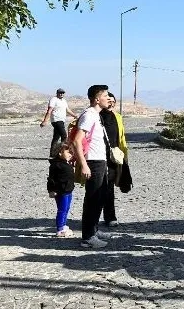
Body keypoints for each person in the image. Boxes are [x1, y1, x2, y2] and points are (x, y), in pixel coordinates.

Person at [73, 85, 111, 248]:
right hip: (92, 162)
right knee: (93, 199)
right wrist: (83, 165)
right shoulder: (89, 115)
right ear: (97, 99)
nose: (109, 98)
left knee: (100, 197)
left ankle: (93, 230)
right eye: (106, 96)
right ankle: (87, 237)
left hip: (100, 161)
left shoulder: (96, 115)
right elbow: (76, 140)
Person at [99, 92, 128, 228]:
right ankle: (99, 217)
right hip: (99, 156)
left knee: (110, 186)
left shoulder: (117, 117)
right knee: (101, 187)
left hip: (114, 157)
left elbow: (120, 138)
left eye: (112, 100)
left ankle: (109, 216)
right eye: (108, 99)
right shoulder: (98, 116)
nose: (110, 102)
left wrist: (124, 155)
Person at [47, 143, 75, 237]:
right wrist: (51, 190)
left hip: (68, 190)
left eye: (71, 152)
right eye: (68, 152)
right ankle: (60, 228)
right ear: (60, 153)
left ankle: (63, 224)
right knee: (62, 210)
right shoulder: (56, 165)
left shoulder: (66, 163)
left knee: (66, 209)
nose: (70, 154)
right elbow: (51, 179)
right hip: (61, 191)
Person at [40, 88, 77, 157]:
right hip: (56, 120)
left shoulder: (64, 101)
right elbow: (49, 110)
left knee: (56, 137)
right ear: (57, 93)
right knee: (64, 136)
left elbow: (67, 110)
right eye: (60, 93)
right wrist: (45, 121)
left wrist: (75, 115)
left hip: (62, 120)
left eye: (62, 93)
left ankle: (52, 154)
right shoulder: (54, 100)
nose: (61, 94)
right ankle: (63, 153)